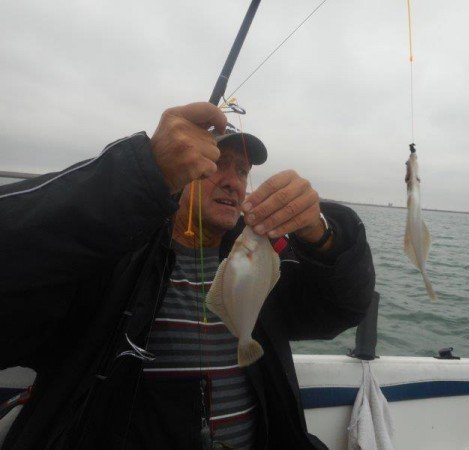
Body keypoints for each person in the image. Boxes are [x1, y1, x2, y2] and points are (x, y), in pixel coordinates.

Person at [0, 102, 375, 449]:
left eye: (242, 170)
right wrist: (138, 175)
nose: (233, 181)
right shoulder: (111, 257)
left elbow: (341, 308)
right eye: (216, 163)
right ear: (179, 168)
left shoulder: (260, 260)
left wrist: (323, 236)